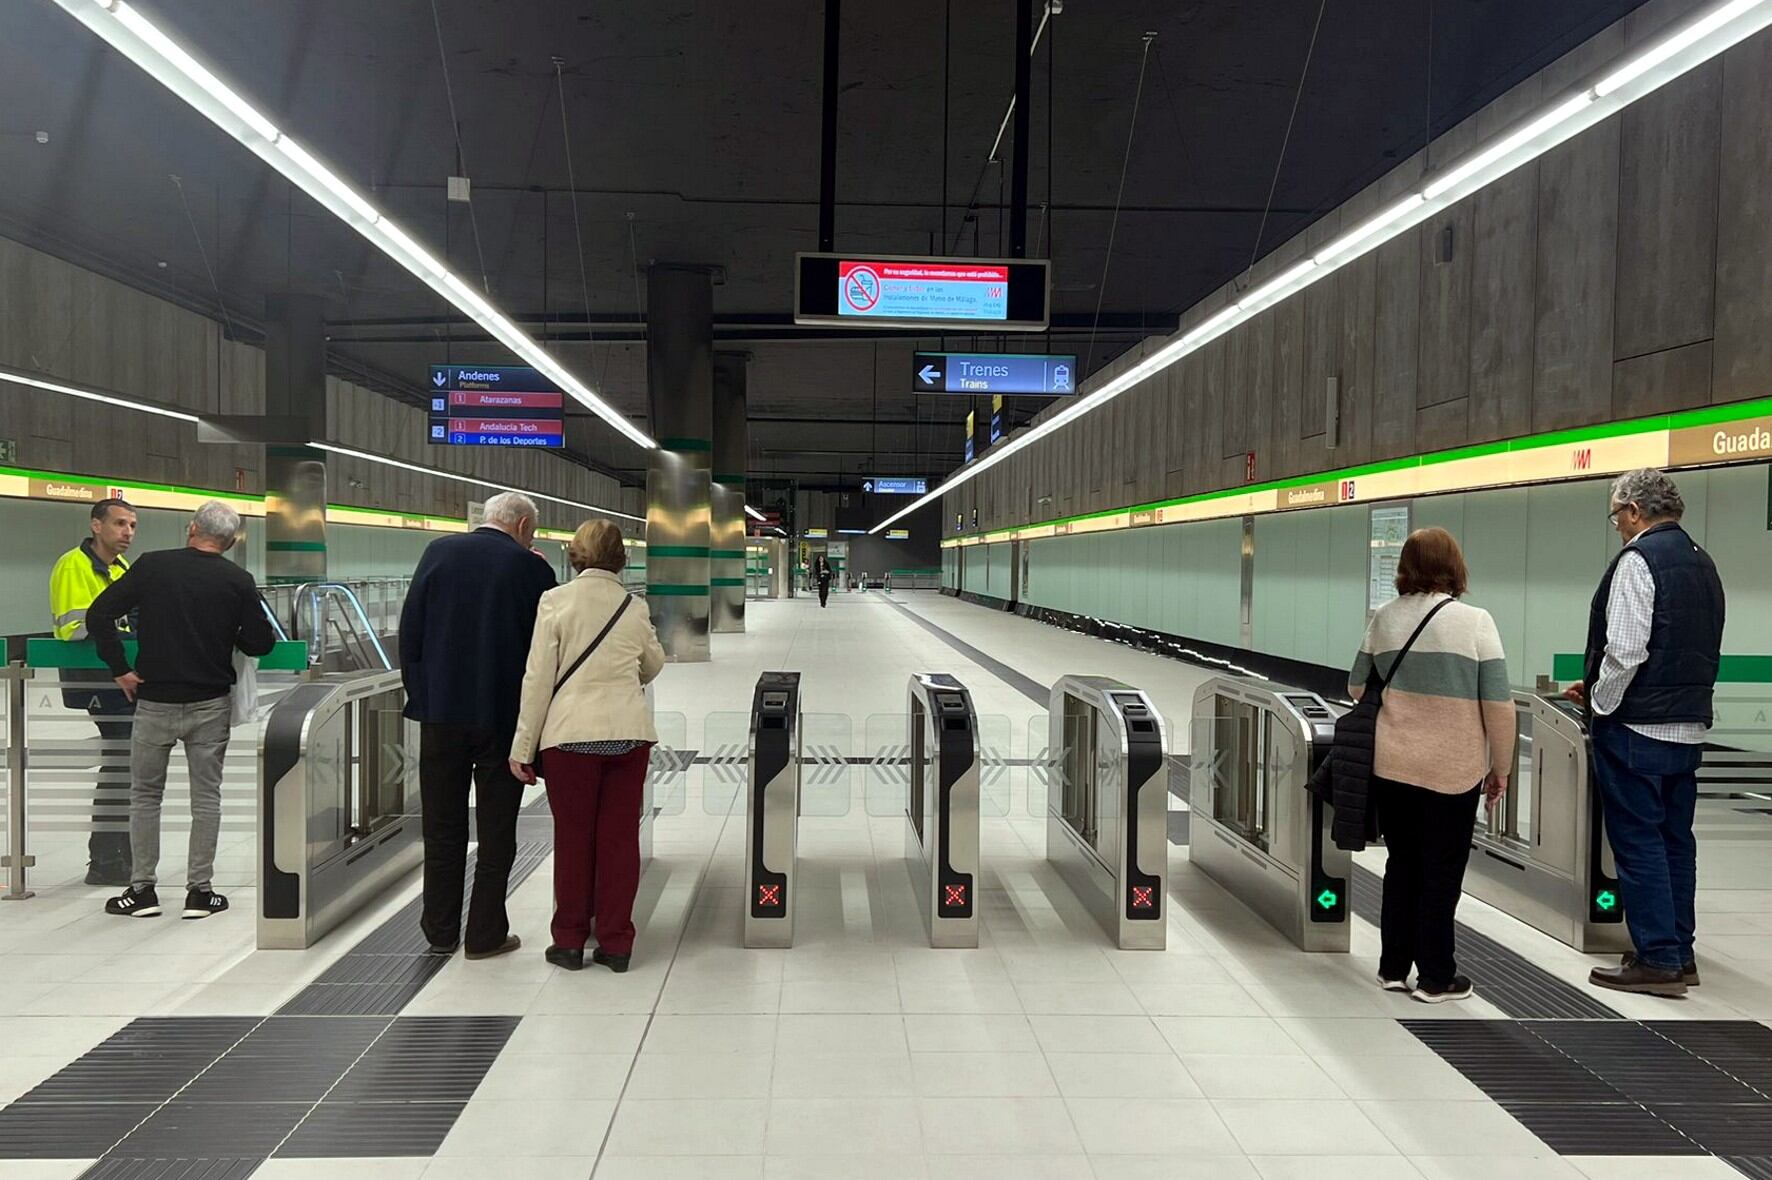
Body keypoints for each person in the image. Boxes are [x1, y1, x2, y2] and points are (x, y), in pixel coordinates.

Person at [1566, 469, 1724, 998]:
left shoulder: (1639, 560)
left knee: (1638, 842)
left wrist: (1601, 700)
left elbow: (1629, 649)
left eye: (1617, 516)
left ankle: (1657, 958)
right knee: (1677, 840)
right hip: (1688, 724)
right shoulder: (1703, 561)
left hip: (1637, 726)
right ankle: (1680, 951)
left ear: (1634, 511)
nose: (1617, 527)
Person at [86, 500, 275, 919]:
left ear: (192, 529)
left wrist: (120, 669)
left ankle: (141, 891)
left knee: (145, 797)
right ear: (228, 542)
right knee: (206, 799)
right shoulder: (237, 580)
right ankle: (199, 892)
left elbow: (99, 614)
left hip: (153, 700)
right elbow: (262, 643)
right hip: (210, 703)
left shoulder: (153, 566)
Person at [1349, 527, 1512, 1003]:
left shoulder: (1384, 617)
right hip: (1452, 771)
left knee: (1402, 865)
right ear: (1455, 567)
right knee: (1441, 873)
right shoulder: (1475, 621)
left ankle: (1393, 967)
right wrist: (1500, 768)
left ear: (1404, 567)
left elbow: (1357, 687)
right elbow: (1498, 705)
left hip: (1393, 765)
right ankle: (1438, 976)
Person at [400, 491, 556, 960]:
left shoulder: (438, 552)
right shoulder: (533, 569)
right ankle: (485, 933)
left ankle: (440, 929)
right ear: (525, 526)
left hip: (441, 714)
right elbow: (544, 650)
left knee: (442, 825)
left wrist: (423, 696)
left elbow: (412, 632)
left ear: (485, 520)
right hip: (502, 718)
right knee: (496, 829)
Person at [509, 519, 665, 973]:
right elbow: (652, 662)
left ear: (576, 554)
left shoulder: (555, 602)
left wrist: (523, 747)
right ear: (621, 558)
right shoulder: (633, 605)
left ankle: (570, 940)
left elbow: (538, 679)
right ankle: (617, 942)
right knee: (619, 841)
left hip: (569, 740)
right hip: (627, 736)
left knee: (574, 839)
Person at [49, 498, 139, 885]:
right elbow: (76, 626)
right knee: (122, 763)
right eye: (120, 524)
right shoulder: (75, 565)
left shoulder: (121, 567)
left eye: (133, 526)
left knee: (127, 764)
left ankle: (119, 854)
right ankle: (105, 859)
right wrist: (124, 626)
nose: (127, 533)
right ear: (96, 526)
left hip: (120, 676)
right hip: (96, 677)